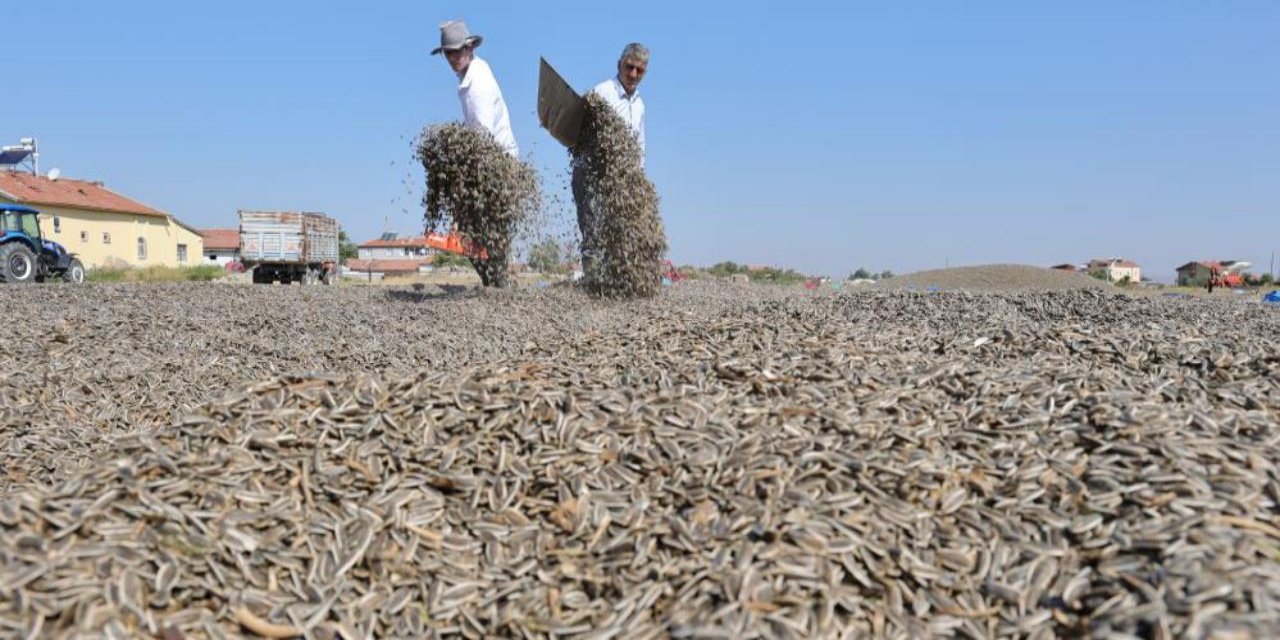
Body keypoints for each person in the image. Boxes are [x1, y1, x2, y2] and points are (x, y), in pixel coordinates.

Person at [432, 20, 517, 286]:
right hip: (488, 159)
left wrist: (464, 182)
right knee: (481, 232)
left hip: (496, 163)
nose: (452, 58)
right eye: (448, 53)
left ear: (469, 47)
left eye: (456, 51)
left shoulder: (477, 83)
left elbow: (482, 139)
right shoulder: (473, 72)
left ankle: (498, 286)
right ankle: (494, 285)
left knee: (487, 232)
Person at [573, 43, 649, 276]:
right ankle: (593, 281)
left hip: (621, 181)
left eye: (640, 70)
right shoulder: (602, 93)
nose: (633, 74)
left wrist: (638, 178)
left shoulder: (639, 104)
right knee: (593, 229)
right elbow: (578, 126)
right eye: (629, 67)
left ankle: (615, 281)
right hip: (592, 173)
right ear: (619, 65)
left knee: (618, 231)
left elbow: (639, 145)